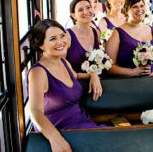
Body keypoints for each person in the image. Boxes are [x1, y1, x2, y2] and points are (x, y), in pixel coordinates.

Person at [28, 19, 104, 152]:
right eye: (52, 39)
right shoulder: (38, 72)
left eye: (62, 36)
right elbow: (35, 111)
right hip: (64, 133)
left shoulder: (63, 62)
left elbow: (76, 76)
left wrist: (93, 75)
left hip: (84, 124)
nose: (60, 42)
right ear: (41, 45)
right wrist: (56, 139)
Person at [66, 0, 101, 72]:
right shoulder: (67, 35)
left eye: (88, 7)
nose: (85, 12)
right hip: (74, 81)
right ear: (73, 15)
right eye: (80, 10)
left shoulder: (97, 33)